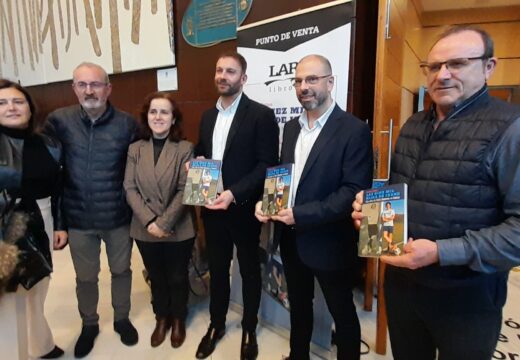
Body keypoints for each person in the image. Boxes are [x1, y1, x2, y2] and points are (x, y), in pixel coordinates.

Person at [352, 26, 520, 360]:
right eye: (434, 66)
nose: (442, 75)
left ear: (489, 66)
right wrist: (372, 206)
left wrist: (442, 252)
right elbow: (408, 187)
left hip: (467, 299)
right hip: (402, 289)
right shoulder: (413, 124)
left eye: (457, 64)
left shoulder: (510, 128)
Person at [256, 54, 373, 360]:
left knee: (342, 312)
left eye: (311, 79)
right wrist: (268, 203)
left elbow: (352, 192)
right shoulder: (292, 128)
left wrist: (300, 214)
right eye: (298, 81)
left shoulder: (353, 130)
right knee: (298, 304)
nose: (303, 87)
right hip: (291, 238)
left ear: (330, 82)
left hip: (330, 241)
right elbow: (287, 176)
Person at [45, 62, 139, 358]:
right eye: (82, 84)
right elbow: (51, 175)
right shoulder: (58, 122)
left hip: (118, 217)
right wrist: (59, 223)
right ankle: (89, 324)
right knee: (85, 278)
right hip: (78, 218)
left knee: (122, 271)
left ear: (108, 88)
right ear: (73, 88)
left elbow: (140, 169)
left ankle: (122, 319)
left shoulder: (128, 124)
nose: (89, 90)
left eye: (96, 84)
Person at [192, 51, 279, 360]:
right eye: (219, 70)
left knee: (248, 271)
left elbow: (267, 164)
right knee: (217, 269)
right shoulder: (207, 116)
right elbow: (203, 150)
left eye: (230, 71)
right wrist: (197, 159)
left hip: (242, 208)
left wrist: (233, 193)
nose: (222, 76)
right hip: (211, 210)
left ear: (242, 78)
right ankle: (216, 325)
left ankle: (249, 328)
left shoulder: (260, 115)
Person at [0, 79, 67, 359]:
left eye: (18, 101)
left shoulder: (49, 143)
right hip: (6, 225)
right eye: (2, 103)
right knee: (9, 299)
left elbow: (59, 188)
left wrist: (60, 224)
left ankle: (41, 344)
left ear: (30, 107)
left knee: (38, 287)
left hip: (42, 217)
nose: (11, 107)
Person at [124, 91, 196, 349]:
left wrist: (163, 223)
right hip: (144, 228)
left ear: (174, 118)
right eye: (153, 111)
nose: (158, 116)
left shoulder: (185, 148)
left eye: (164, 112)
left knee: (177, 276)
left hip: (178, 225)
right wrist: (149, 221)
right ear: (146, 117)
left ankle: (178, 318)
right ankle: (161, 318)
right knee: (156, 275)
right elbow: (129, 187)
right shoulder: (135, 149)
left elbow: (186, 189)